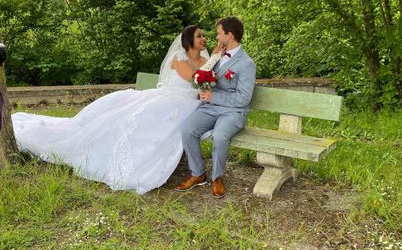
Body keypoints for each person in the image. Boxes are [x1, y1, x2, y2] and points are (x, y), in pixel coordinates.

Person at [12, 26, 215, 195]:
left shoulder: (202, 60)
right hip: (171, 100)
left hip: (188, 102)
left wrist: (210, 71)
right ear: (189, 39)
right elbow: (194, 77)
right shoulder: (179, 58)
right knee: (137, 116)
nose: (204, 39)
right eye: (199, 36)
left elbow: (205, 83)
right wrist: (213, 61)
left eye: (204, 35)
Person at [176, 16, 256, 198]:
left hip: (233, 112)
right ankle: (198, 173)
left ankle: (217, 177)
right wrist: (205, 88)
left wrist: (214, 96)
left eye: (220, 34)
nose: (217, 38)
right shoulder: (217, 56)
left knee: (219, 136)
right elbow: (204, 77)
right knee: (187, 129)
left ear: (230, 35)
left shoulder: (247, 64)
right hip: (210, 108)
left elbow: (244, 98)